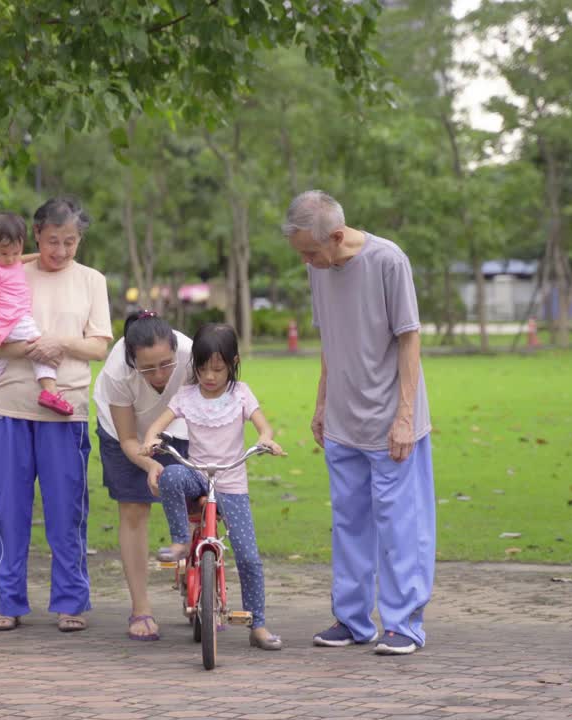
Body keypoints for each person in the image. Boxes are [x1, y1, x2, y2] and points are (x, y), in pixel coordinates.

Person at [281, 189, 435, 656]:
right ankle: (352, 620)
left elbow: (409, 340)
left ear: (337, 234)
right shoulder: (318, 269)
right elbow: (331, 340)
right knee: (349, 522)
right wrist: (322, 404)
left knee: (399, 524)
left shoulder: (389, 261)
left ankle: (404, 624)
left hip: (392, 419)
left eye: (311, 251)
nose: (306, 261)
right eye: (301, 253)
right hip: (343, 420)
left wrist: (405, 416)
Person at [0, 197, 112, 633]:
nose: (61, 251)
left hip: (66, 410)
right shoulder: (11, 270)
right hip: (9, 406)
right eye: (53, 241)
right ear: (35, 235)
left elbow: (99, 346)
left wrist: (60, 344)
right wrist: (32, 349)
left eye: (70, 242)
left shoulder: (92, 281)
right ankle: (7, 601)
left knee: (66, 510)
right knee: (7, 510)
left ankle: (71, 601)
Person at [140, 323, 285, 651]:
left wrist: (266, 441)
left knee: (248, 557)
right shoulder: (186, 396)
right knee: (171, 475)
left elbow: (264, 427)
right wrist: (151, 440)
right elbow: (158, 425)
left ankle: (257, 624)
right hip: (198, 474)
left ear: (233, 364)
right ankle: (180, 541)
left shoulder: (241, 394)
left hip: (231, 481)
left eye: (218, 369)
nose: (209, 376)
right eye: (202, 368)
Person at [91, 310, 195, 641]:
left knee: (197, 504)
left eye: (166, 364)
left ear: (175, 349)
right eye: (148, 368)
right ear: (133, 360)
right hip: (125, 434)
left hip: (177, 426)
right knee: (135, 508)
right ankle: (141, 608)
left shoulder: (191, 354)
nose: (160, 374)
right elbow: (128, 440)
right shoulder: (117, 373)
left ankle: (200, 593)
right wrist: (151, 466)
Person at [0, 212, 74, 428]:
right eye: (4, 253)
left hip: (9, 324)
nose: (12, 258)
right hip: (14, 319)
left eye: (16, 251)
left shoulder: (10, 262)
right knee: (39, 346)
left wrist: (39, 255)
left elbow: (21, 260)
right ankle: (49, 391)